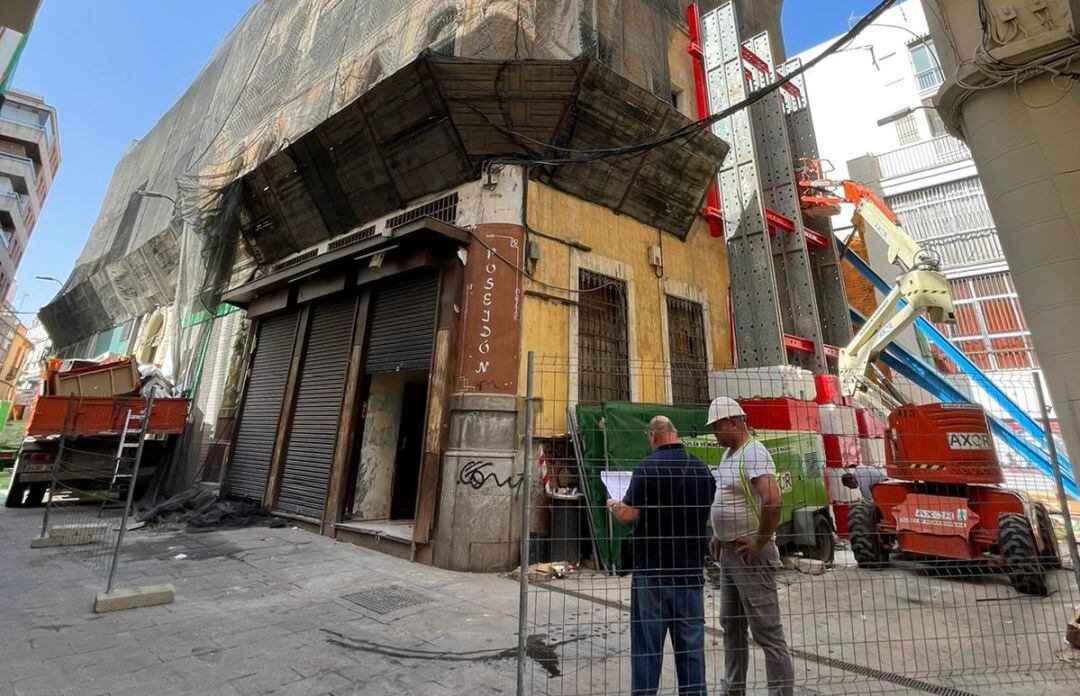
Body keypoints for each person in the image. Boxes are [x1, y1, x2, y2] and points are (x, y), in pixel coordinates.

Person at [606, 415, 715, 695]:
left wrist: (613, 506)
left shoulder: (646, 467)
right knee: (691, 652)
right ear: (675, 434)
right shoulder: (702, 470)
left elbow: (629, 515)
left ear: (652, 436)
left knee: (647, 651)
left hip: (652, 574)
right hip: (690, 576)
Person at [706, 397, 794, 696]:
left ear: (734, 421)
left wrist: (761, 540)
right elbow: (731, 498)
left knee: (767, 632)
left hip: (750, 557)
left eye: (717, 426)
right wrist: (719, 535)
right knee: (731, 626)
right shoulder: (729, 455)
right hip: (730, 554)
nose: (714, 434)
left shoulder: (754, 453)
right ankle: (733, 688)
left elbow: (772, 499)